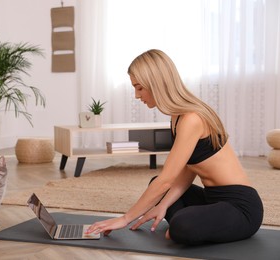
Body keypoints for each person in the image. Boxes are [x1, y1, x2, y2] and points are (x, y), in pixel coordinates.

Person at [85, 49, 263, 245]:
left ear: (156, 84)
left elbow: (166, 180)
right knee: (158, 189)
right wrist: (164, 206)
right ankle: (188, 223)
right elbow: (188, 171)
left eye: (139, 88)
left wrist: (125, 219)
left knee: (176, 217)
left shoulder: (191, 119)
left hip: (241, 207)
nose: (137, 95)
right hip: (212, 199)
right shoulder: (177, 117)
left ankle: (184, 225)